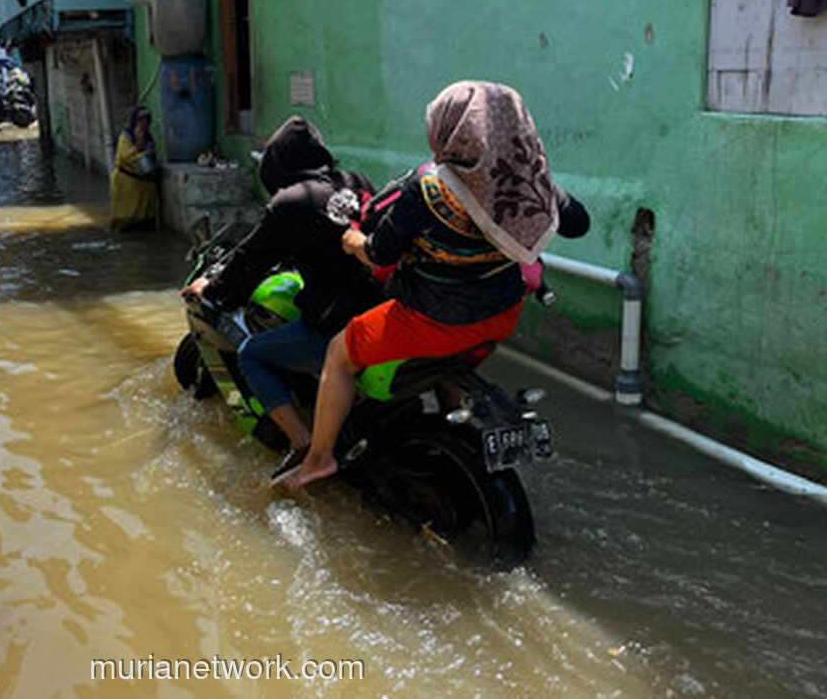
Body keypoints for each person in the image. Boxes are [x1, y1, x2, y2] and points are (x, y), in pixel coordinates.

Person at [286, 81, 589, 488]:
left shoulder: (427, 188)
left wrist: (355, 241)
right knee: (454, 358)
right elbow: (578, 223)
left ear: (450, 132)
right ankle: (452, 424)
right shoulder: (525, 183)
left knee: (339, 354)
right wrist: (539, 181)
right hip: (502, 314)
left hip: (435, 322)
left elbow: (380, 255)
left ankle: (318, 459)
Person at [181, 116, 384, 478]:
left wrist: (211, 289)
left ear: (277, 165)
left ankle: (304, 445)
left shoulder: (292, 201)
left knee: (251, 354)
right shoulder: (355, 183)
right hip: (382, 312)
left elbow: (250, 260)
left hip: (337, 323)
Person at [109, 106, 159, 231]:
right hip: (127, 186)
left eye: (146, 121)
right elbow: (126, 156)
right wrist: (138, 146)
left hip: (144, 189)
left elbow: (151, 159)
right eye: (140, 120)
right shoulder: (126, 137)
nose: (143, 124)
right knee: (126, 221)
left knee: (143, 224)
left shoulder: (149, 139)